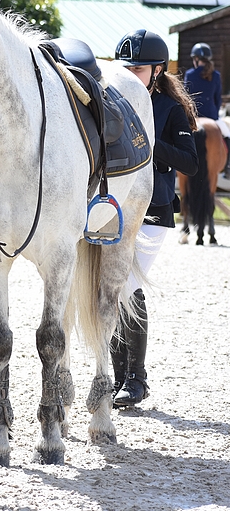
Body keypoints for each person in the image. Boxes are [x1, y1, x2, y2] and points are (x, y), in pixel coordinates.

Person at [111, 29, 198, 407]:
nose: (132, 73)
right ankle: (117, 380)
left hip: (154, 209)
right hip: (114, 207)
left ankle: (137, 378)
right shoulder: (111, 100)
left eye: (140, 68)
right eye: (126, 67)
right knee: (107, 287)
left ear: (158, 70)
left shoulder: (170, 109)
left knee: (126, 284)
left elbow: (190, 162)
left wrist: (149, 140)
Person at [183, 42, 230, 175]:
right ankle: (228, 167)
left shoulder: (190, 74)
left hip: (194, 117)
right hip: (212, 117)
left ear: (196, 59)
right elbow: (218, 99)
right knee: (227, 135)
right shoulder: (216, 75)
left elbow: (186, 97)